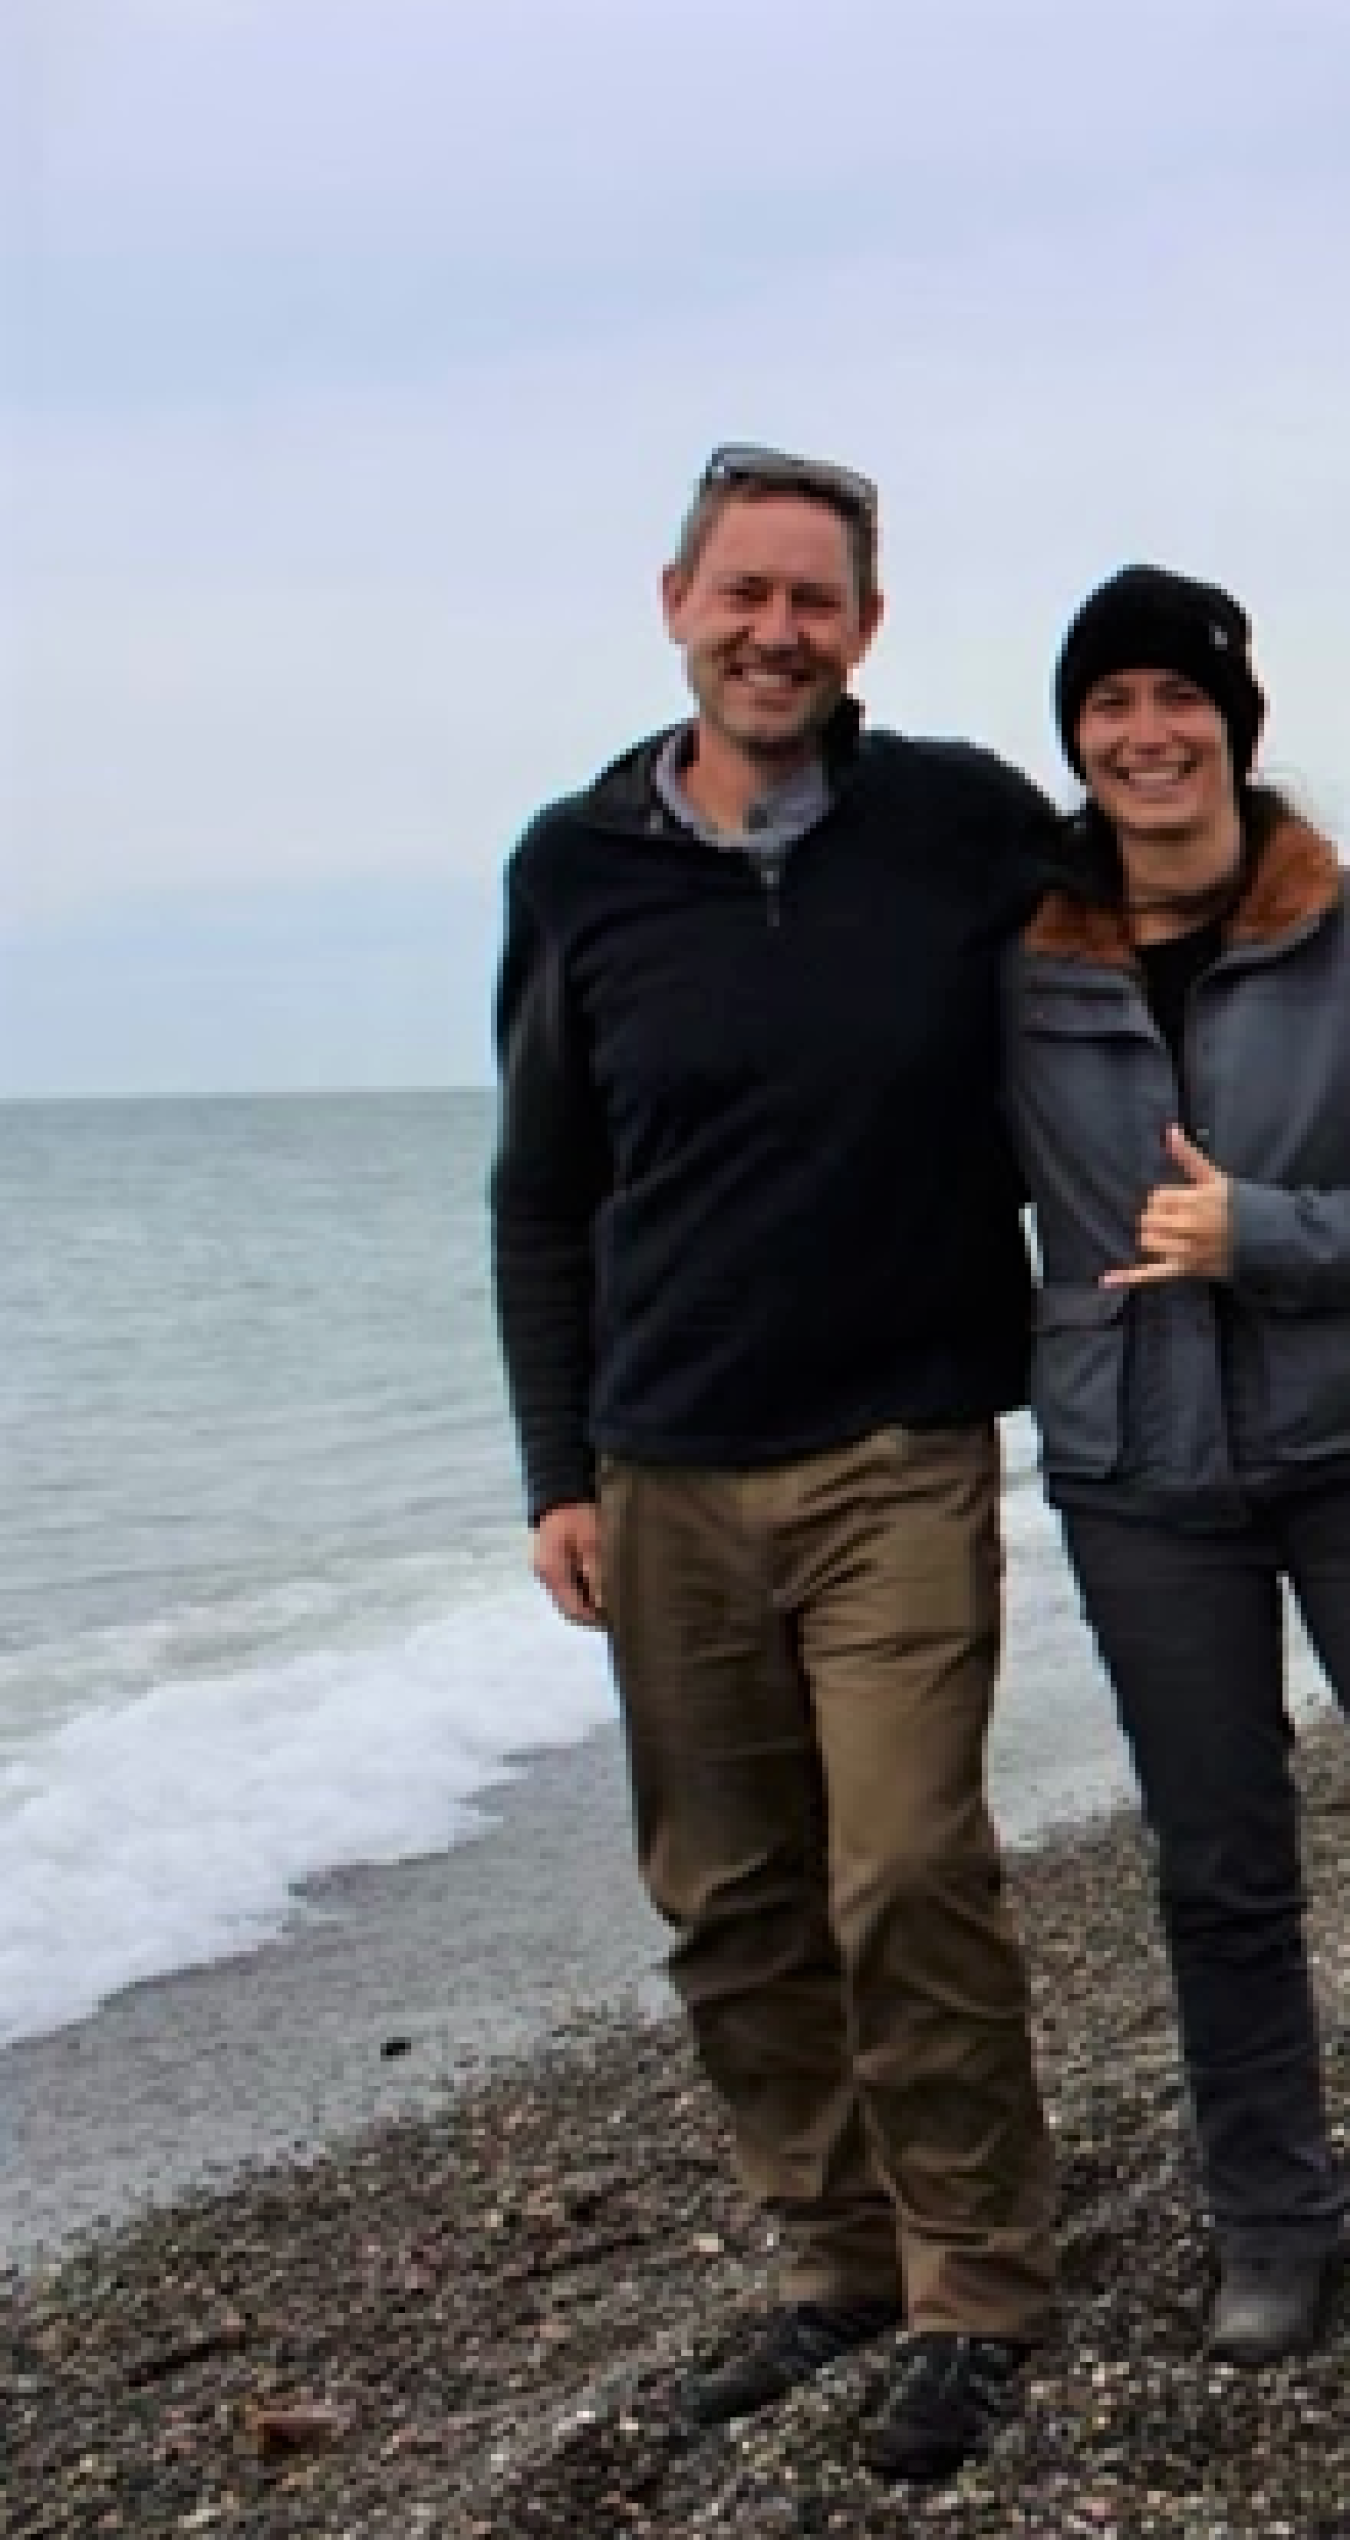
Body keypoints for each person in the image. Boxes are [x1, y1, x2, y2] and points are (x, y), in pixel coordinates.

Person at [489, 443, 1057, 2484]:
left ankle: (978, 2284)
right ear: (676, 603)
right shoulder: (572, 867)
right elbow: (540, 1189)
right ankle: (836, 2258)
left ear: (866, 629)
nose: (777, 628)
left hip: (899, 1445)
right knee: (729, 1895)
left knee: (905, 1865)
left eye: (815, 598)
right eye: (745, 591)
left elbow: (1162, 898)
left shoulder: (958, 824)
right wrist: (558, 1462)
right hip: (663, 1468)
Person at [1005, 563, 1350, 2366]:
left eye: (1175, 700)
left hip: (1342, 1431)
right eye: (1108, 707)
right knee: (1216, 1867)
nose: (1145, 736)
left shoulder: (1336, 932)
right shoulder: (1023, 962)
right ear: (1073, 741)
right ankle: (1274, 2223)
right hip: (1135, 1471)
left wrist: (1268, 1231)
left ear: (1234, 722)